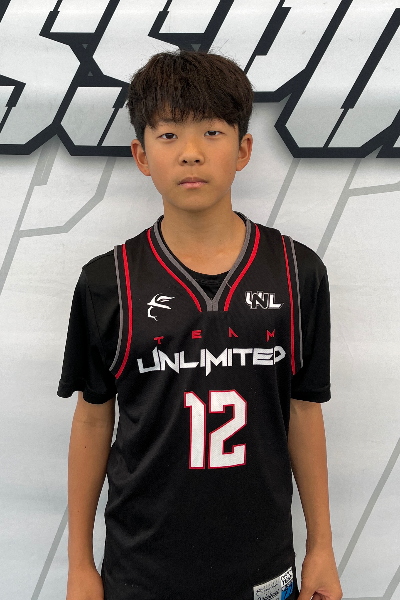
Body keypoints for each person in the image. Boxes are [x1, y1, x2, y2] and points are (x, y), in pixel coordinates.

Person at [58, 49, 343, 600]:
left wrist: (322, 547)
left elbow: (305, 411)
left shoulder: (297, 272)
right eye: (169, 135)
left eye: (212, 132)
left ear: (243, 149)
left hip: (261, 567)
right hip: (141, 570)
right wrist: (79, 566)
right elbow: (93, 421)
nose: (191, 152)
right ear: (141, 155)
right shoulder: (107, 282)